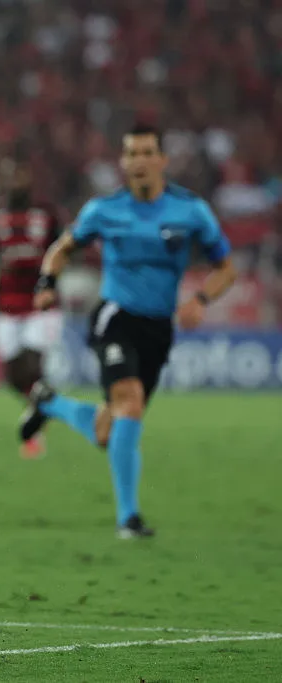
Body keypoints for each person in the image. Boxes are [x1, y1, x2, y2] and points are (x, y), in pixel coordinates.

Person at [20, 123, 236, 538]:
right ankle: (128, 519)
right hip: (115, 318)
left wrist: (200, 299)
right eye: (131, 153)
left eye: (146, 153)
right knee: (130, 403)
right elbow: (62, 249)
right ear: (123, 161)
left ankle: (50, 403)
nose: (139, 161)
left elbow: (226, 268)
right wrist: (47, 284)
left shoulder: (191, 211)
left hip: (159, 329)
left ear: (162, 160)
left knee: (110, 429)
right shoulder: (104, 210)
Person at [0, 161, 63, 458]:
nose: (16, 182)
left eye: (21, 176)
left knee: (32, 364)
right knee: (12, 375)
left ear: (29, 179)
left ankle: (36, 427)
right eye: (12, 176)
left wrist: (50, 282)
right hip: (7, 304)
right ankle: (43, 407)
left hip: (40, 305)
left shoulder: (46, 215)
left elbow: (61, 251)